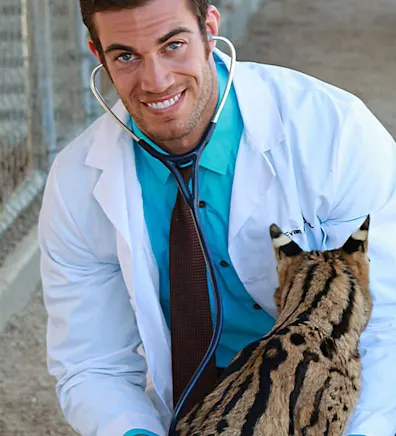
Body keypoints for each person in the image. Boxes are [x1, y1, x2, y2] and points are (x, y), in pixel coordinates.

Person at [38, 0, 396, 435]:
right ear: (98, 55)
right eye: (126, 56)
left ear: (209, 29)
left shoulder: (334, 134)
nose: (156, 81)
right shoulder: (78, 183)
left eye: (173, 45)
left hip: (322, 409)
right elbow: (92, 362)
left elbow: (386, 327)